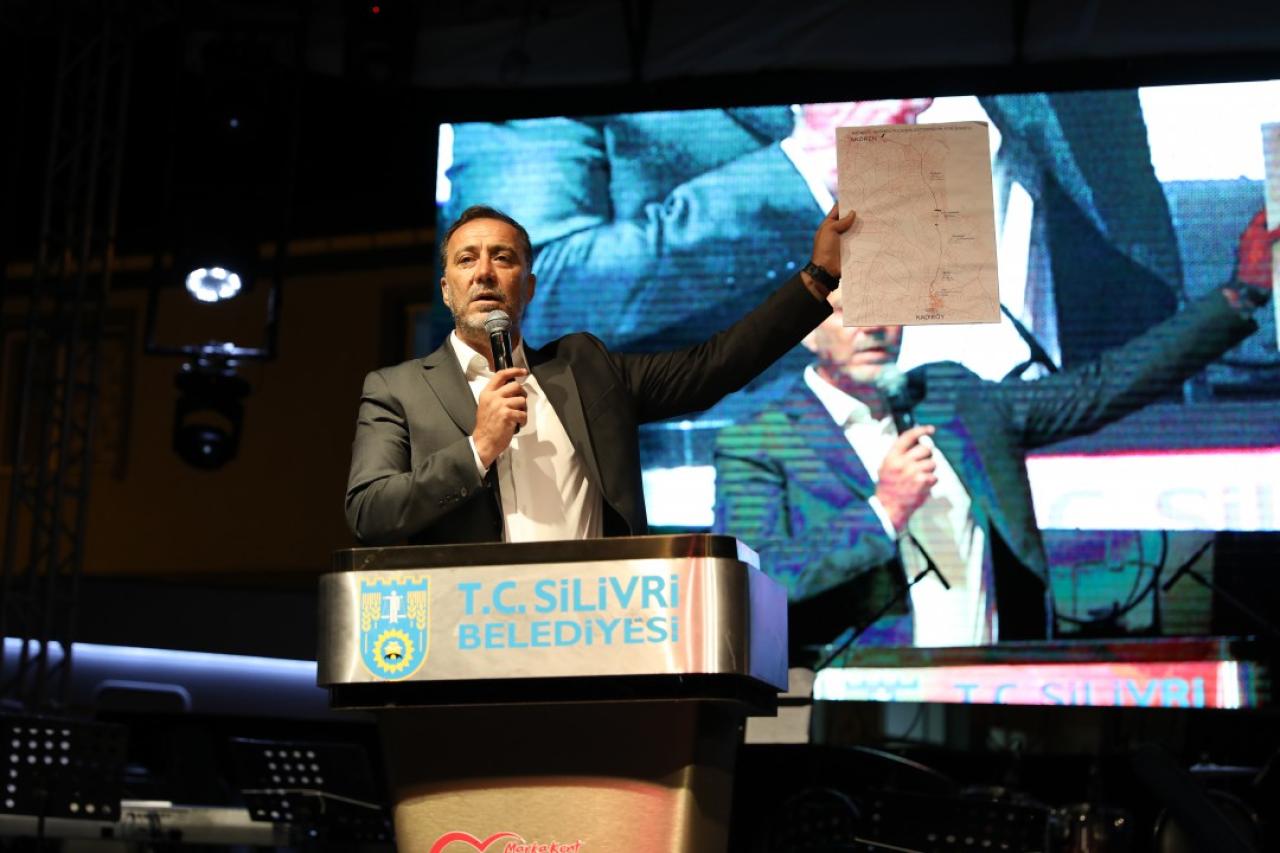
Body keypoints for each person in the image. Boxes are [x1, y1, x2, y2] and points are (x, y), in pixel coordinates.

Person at [713, 210, 1277, 655]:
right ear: (806, 330)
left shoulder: (952, 397)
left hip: (995, 691)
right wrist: (882, 511)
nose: (874, 326)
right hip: (860, 703)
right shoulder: (760, 442)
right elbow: (750, 588)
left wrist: (1240, 295)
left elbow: (1099, 389)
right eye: (847, 311)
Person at [345, 204, 850, 545]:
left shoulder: (585, 370)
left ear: (529, 286)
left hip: (592, 627)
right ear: (446, 289)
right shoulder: (398, 389)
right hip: (470, 634)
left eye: (503, 258)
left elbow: (713, 367)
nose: (484, 273)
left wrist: (819, 278)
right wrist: (477, 450)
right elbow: (370, 512)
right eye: (466, 260)